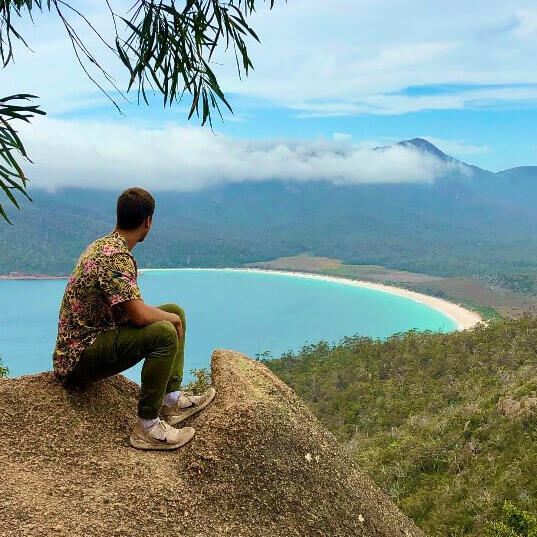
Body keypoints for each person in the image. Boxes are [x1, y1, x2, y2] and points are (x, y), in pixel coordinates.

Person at [52, 187, 215, 451]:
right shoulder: (115, 257)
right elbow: (139, 315)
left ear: (118, 216)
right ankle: (147, 427)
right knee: (164, 331)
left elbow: (132, 310)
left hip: (93, 339)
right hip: (79, 358)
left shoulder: (105, 246)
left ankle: (171, 399)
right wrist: (170, 320)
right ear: (147, 222)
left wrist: (173, 316)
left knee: (176, 312)